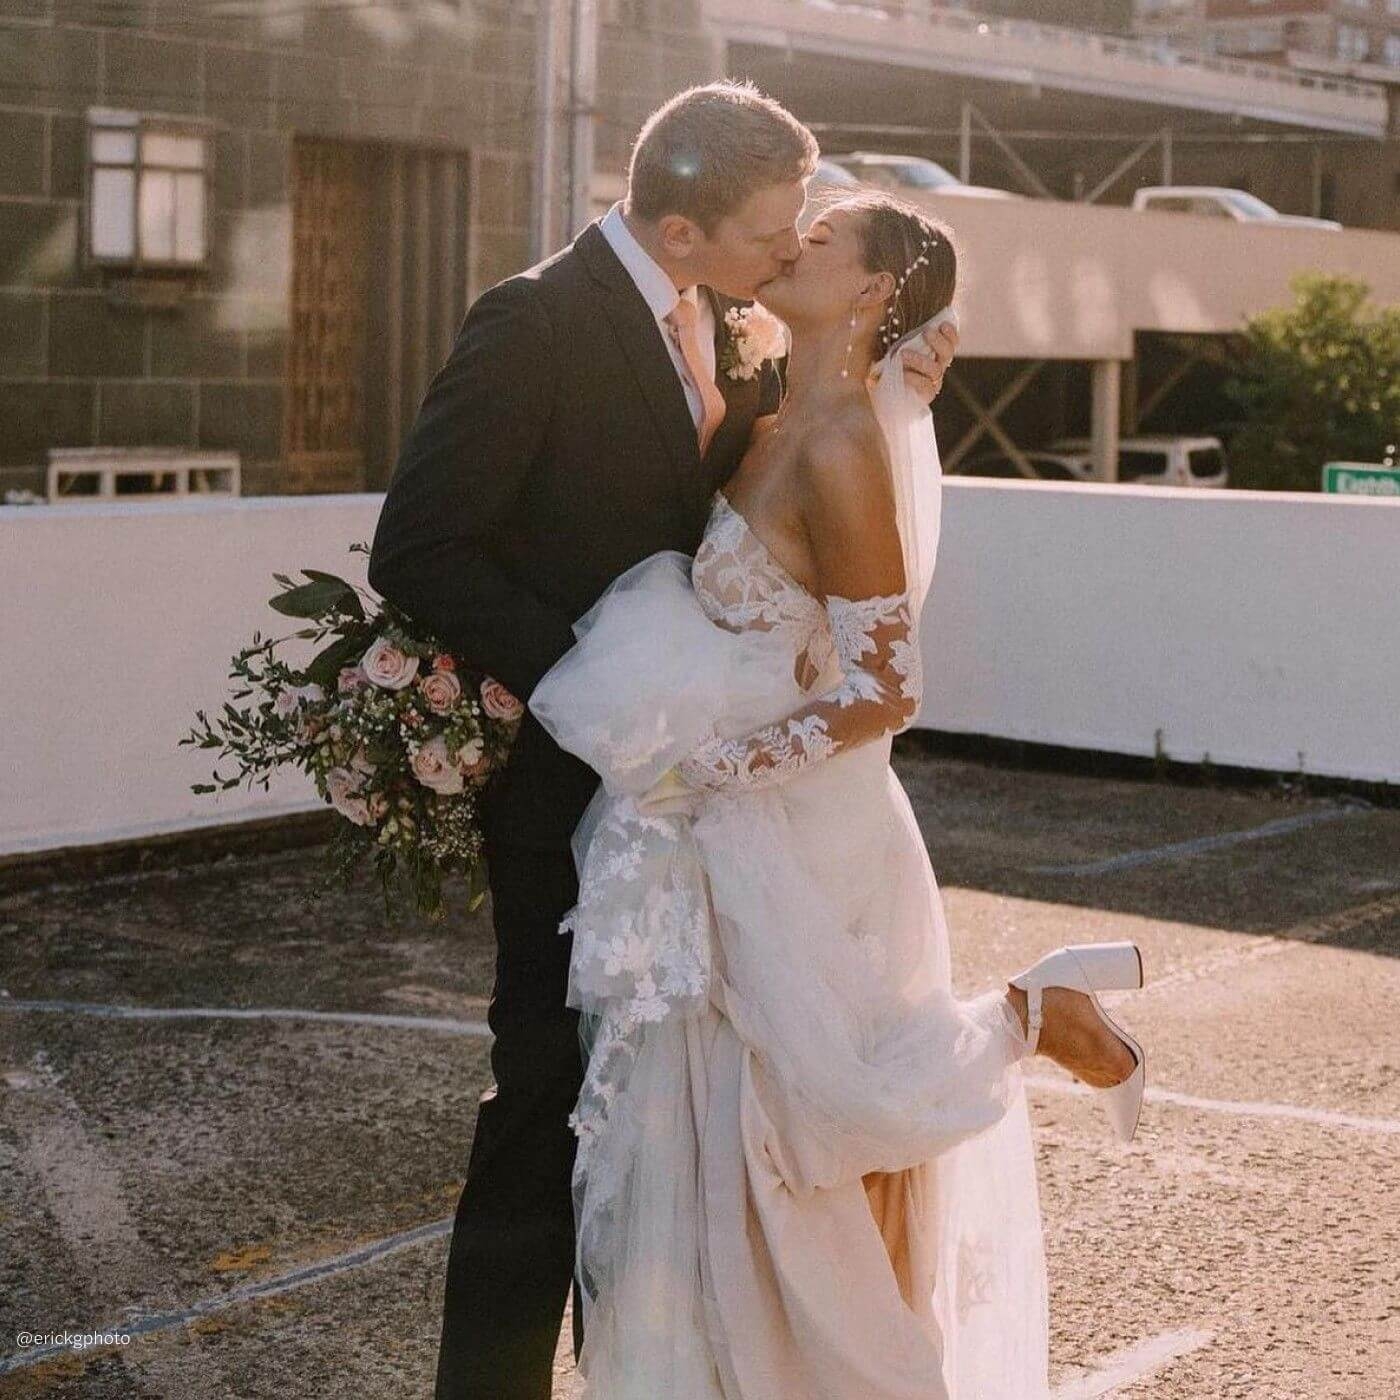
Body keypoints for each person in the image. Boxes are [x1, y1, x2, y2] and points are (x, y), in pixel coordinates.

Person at [368, 81, 959, 1400]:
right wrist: (605, 692)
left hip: (704, 813)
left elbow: (794, 484)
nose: (788, 247)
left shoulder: (735, 327)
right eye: (771, 229)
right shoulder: (533, 323)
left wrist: (905, 361)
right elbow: (421, 543)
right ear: (682, 230)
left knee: (668, 1127)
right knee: (544, 1105)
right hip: (571, 788)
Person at [528, 190, 1147, 1397]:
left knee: (802, 1122)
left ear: (867, 289)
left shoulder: (842, 446)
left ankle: (1032, 1013)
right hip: (725, 818)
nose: (789, 242)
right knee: (724, 1128)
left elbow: (885, 687)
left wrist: (709, 767)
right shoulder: (770, 417)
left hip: (797, 824)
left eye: (818, 238)